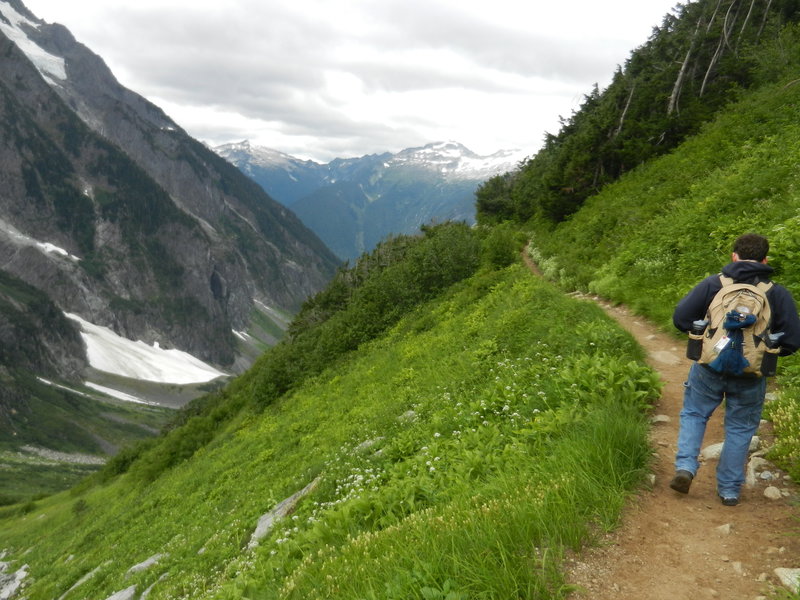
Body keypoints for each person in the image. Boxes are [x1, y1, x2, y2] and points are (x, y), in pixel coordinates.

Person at [670, 233, 800, 505]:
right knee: (740, 428)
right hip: (751, 373)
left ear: (734, 256)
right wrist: (765, 353)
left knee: (695, 413)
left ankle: (685, 468)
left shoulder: (714, 284)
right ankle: (729, 490)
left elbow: (681, 318)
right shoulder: (775, 293)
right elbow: (792, 340)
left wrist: (708, 340)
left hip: (710, 366)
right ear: (765, 259)